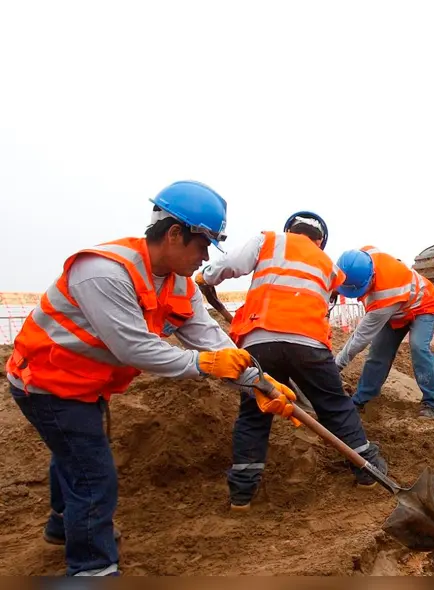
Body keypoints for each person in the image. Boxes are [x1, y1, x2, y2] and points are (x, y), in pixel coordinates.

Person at [4, 181, 299, 577]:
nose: (205, 256)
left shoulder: (179, 283)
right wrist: (203, 365)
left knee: (75, 455)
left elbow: (210, 337)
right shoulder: (103, 271)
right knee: (92, 474)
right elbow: (134, 348)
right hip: (45, 382)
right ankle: (93, 568)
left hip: (86, 382)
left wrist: (260, 383)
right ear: (175, 234)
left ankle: (62, 524)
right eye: (203, 244)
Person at [194, 212, 388, 505]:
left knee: (254, 413)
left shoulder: (268, 240)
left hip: (260, 340)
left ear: (289, 229)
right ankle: (368, 472)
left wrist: (202, 276)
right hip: (309, 345)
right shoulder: (330, 267)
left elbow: (228, 266)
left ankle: (242, 495)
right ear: (320, 240)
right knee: (335, 406)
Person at [334, 246, 434, 419]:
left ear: (371, 278)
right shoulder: (363, 257)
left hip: (424, 305)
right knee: (378, 352)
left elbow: (360, 338)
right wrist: (334, 288)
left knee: (418, 346)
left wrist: (336, 366)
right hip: (398, 310)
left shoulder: (384, 295)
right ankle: (362, 399)